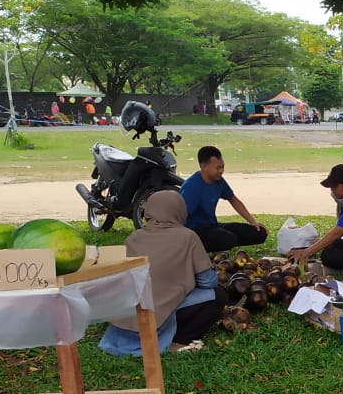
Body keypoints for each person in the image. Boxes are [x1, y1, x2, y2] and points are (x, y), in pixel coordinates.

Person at [99, 192, 226, 355]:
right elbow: (208, 282)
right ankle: (179, 341)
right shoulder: (188, 237)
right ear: (180, 210)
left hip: (127, 315)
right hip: (158, 315)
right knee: (218, 295)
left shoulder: (133, 238)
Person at [180, 145, 268, 252]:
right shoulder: (191, 187)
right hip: (194, 231)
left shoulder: (218, 181)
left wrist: (253, 222)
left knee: (259, 233)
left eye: (222, 167)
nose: (221, 171)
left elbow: (234, 200)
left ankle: (223, 241)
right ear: (204, 166)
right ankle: (198, 250)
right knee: (228, 239)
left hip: (212, 225)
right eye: (218, 168)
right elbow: (180, 216)